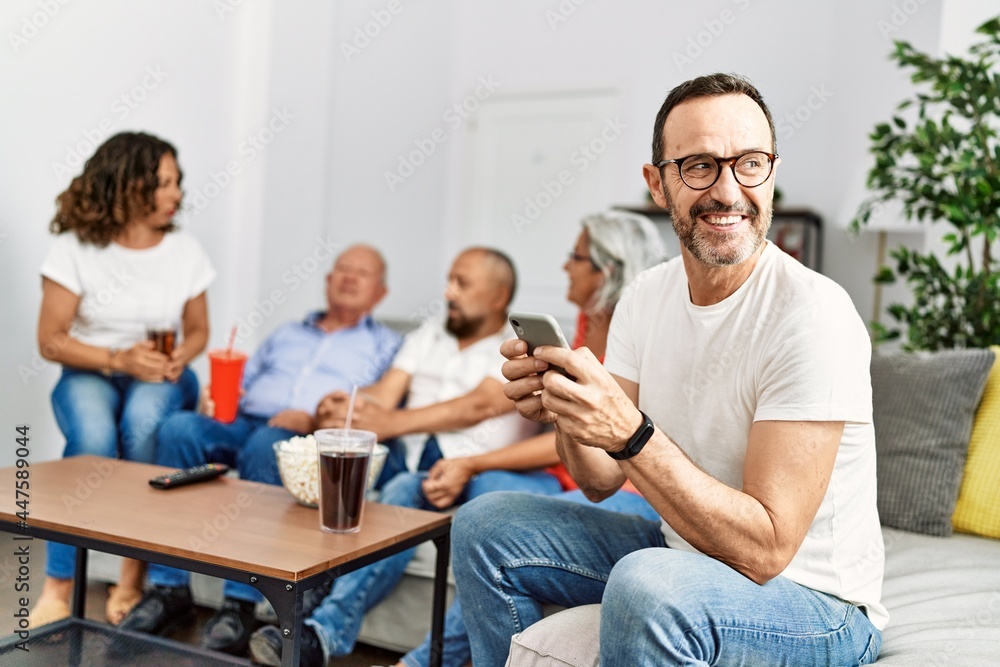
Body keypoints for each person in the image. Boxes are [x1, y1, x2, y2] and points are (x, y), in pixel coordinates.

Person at [453, 73, 886, 667]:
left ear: (773, 172)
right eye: (699, 166)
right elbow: (601, 479)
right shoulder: (646, 295)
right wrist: (566, 407)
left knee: (648, 581)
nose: (729, 190)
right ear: (657, 183)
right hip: (685, 552)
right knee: (485, 524)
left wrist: (630, 432)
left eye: (750, 163)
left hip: (816, 603)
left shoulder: (812, 315)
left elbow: (767, 550)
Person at [246, 247, 556, 667]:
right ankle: (318, 626)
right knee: (392, 480)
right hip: (416, 467)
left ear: (499, 296)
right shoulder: (431, 333)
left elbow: (478, 406)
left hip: (483, 474)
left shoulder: (518, 348)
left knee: (415, 485)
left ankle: (327, 619)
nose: (448, 292)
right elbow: (385, 394)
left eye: (462, 283)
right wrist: (344, 406)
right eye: (449, 280)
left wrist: (390, 422)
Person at [386, 210, 667, 667]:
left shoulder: (638, 332)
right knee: (471, 513)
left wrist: (475, 462)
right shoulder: (582, 323)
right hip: (578, 475)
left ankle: (418, 662)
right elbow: (575, 430)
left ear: (606, 270)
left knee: (490, 505)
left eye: (575, 257)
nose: (564, 267)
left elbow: (610, 453)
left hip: (621, 486)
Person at [117, 244, 403, 656]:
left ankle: (241, 602)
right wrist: (221, 399)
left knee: (268, 445)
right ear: (327, 280)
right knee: (179, 427)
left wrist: (312, 420)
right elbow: (243, 381)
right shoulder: (287, 332)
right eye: (342, 269)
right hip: (243, 420)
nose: (348, 277)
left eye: (362, 273)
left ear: (381, 292)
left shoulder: (386, 345)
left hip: (304, 434)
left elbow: (374, 407)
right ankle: (167, 588)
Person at [32, 132, 214, 628]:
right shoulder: (74, 249)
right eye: (164, 183)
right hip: (92, 370)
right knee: (91, 437)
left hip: (163, 375)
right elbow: (51, 339)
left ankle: (132, 574)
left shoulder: (184, 250)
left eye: (177, 183)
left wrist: (179, 358)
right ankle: (60, 583)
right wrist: (120, 359)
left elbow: (198, 331)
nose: (177, 194)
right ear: (128, 184)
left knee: (142, 426)